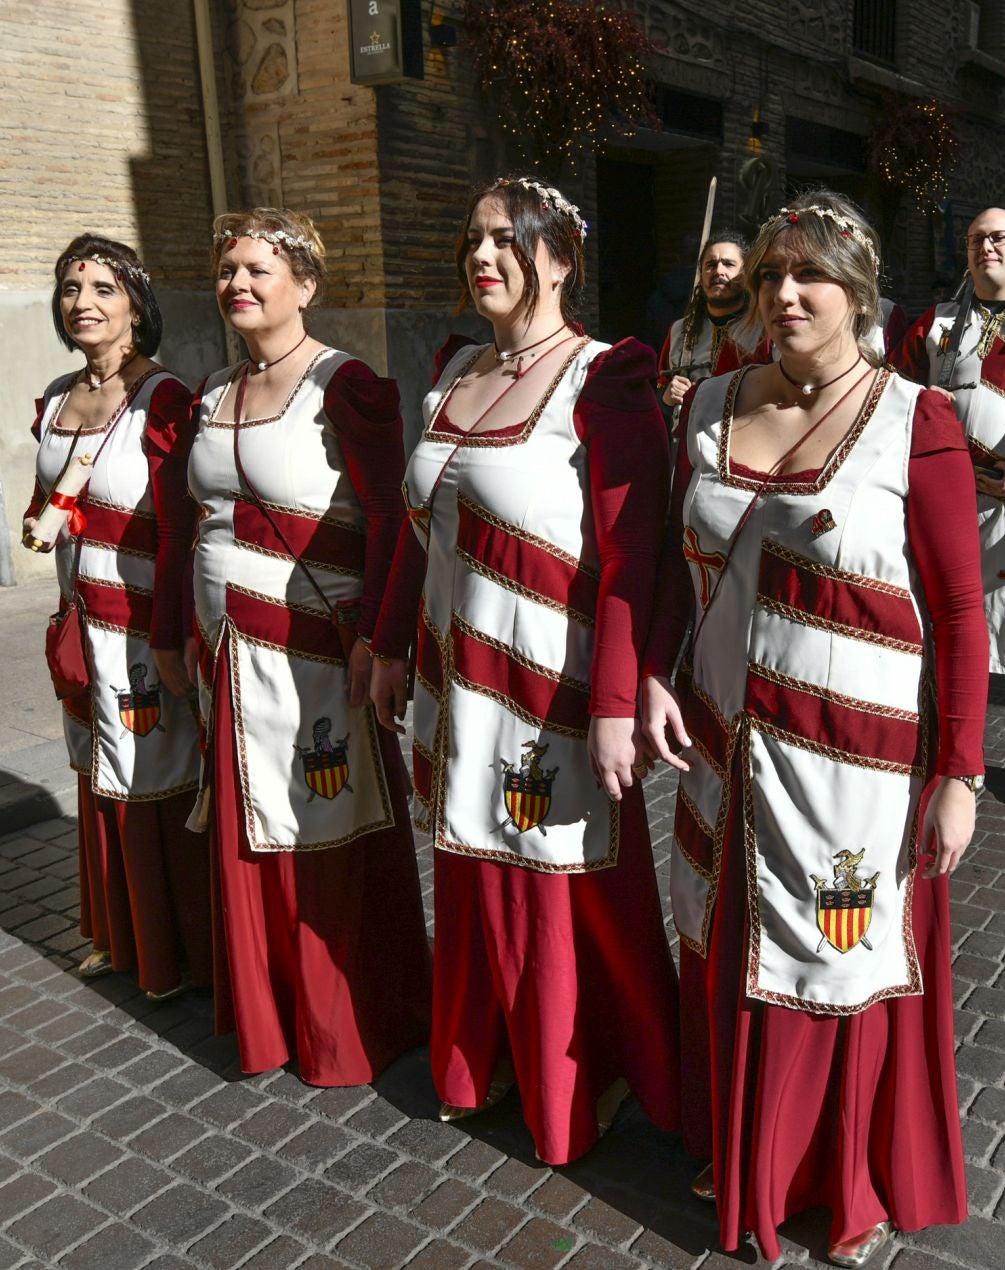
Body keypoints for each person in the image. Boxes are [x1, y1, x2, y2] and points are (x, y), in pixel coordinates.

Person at [640, 190, 986, 1267]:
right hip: (723, 734)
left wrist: (962, 772)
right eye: (775, 273)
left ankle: (832, 1179)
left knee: (831, 961)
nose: (785, 294)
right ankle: (740, 1151)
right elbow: (669, 560)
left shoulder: (913, 420)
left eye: (812, 277)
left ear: (858, 293)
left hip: (859, 755)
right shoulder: (703, 403)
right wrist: (654, 672)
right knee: (726, 944)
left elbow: (964, 609)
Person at [364, 176, 681, 1164]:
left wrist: (621, 703)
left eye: (508, 239)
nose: (484, 256)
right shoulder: (453, 371)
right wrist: (384, 645)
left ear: (559, 256)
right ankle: (485, 1055)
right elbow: (423, 533)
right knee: (467, 861)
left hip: (558, 682)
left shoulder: (607, 376)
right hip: (455, 679)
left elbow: (641, 555)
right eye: (474, 240)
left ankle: (588, 1077)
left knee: (556, 880)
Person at [175, 208, 430, 1086]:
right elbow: (195, 520)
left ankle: (346, 1024)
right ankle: (268, 1016)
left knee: (326, 823)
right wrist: (185, 630)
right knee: (252, 830)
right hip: (227, 654)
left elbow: (395, 521)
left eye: (257, 271)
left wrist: (379, 639)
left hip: (320, 654)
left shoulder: (346, 385)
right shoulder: (209, 391)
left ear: (306, 285)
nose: (237, 285)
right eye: (226, 271)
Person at [26, 234, 209, 1003]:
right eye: (72, 288)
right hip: (79, 627)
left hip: (139, 629)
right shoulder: (56, 397)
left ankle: (181, 954)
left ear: (136, 305)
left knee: (154, 782)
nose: (84, 303)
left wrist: (170, 637)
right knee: (98, 780)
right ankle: (122, 936)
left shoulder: (163, 400)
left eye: (104, 288)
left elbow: (179, 533)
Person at [894, 208, 1005, 806]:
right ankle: (944, 748)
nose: (987, 246)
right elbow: (893, 394)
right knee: (939, 627)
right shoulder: (937, 321)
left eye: (999, 237)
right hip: (944, 499)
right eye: (976, 238)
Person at [658, 230, 768, 412]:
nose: (718, 271)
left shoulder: (764, 329)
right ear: (701, 276)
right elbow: (661, 390)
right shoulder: (680, 330)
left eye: (728, 264)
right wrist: (667, 398)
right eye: (710, 265)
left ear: (746, 274)